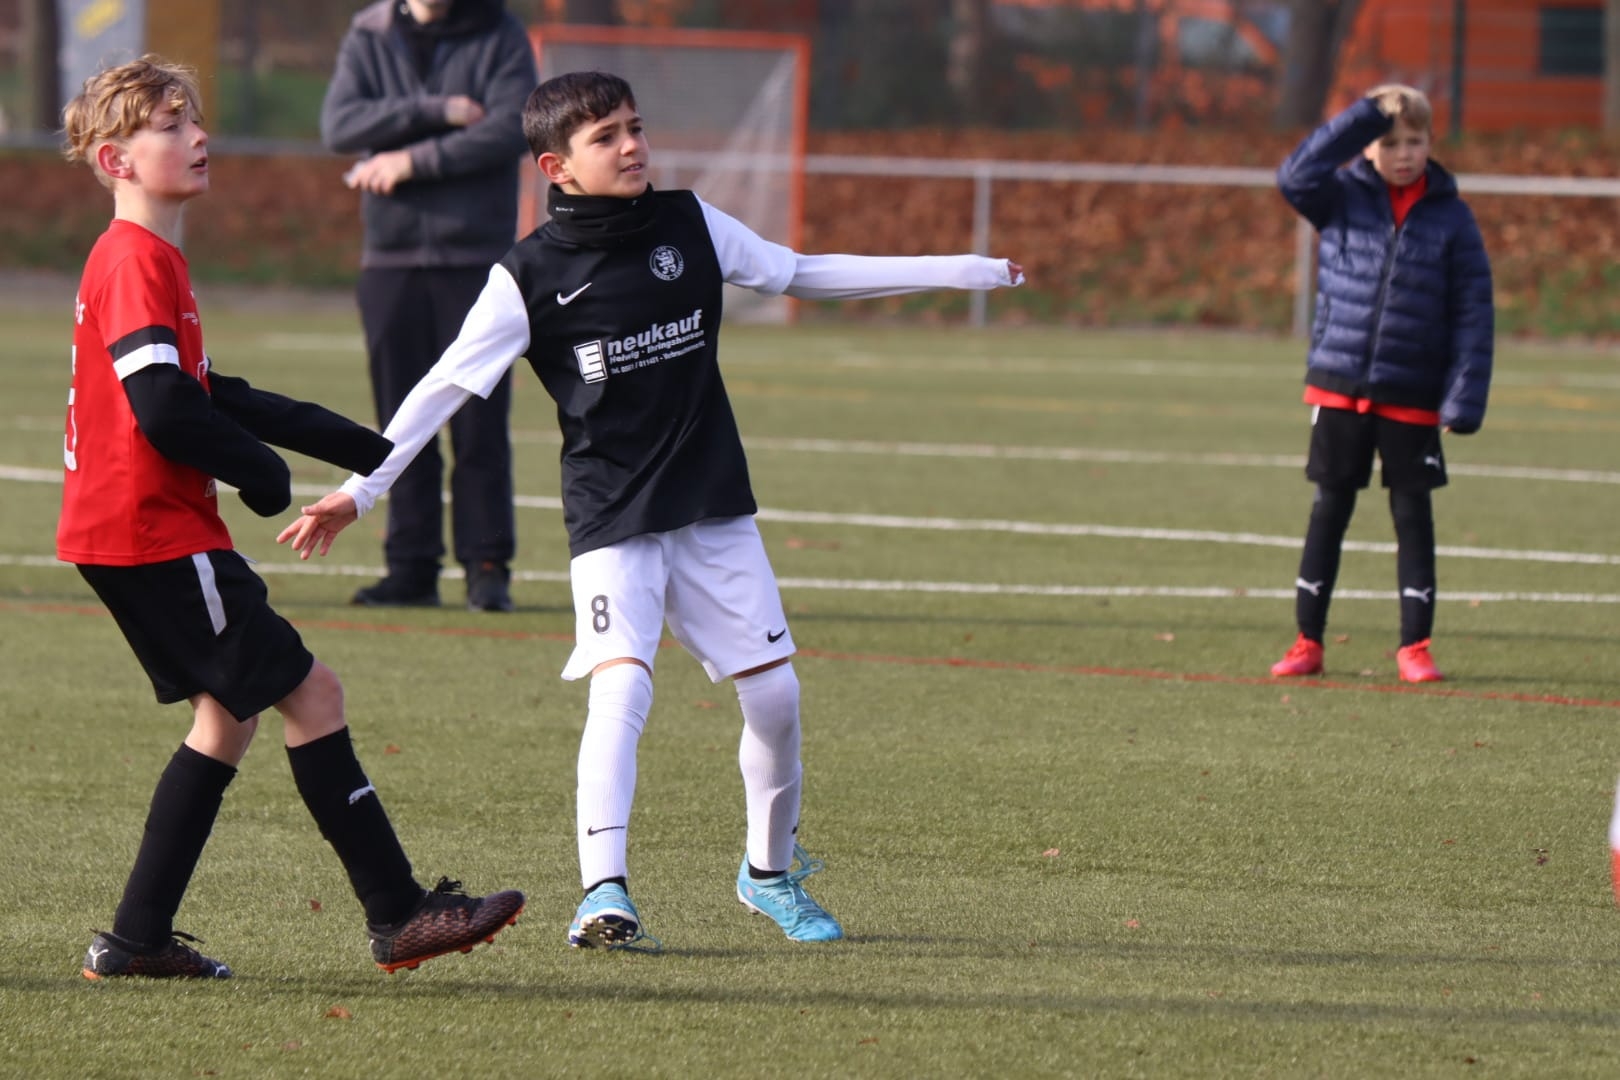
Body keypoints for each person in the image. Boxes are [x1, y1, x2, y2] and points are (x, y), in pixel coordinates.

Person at [281, 70, 1024, 950]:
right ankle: (604, 895)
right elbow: (443, 385)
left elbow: (797, 271)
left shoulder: (690, 222)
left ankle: (768, 873)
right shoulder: (527, 275)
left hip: (710, 503)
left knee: (776, 696)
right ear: (557, 167)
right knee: (623, 685)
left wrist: (962, 270)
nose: (632, 145)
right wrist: (360, 488)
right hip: (611, 513)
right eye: (607, 137)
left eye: (634, 127)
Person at [59, 56, 523, 980]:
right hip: (154, 534)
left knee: (225, 720)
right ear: (116, 160)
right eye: (170, 125)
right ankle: (398, 913)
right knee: (314, 696)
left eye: (195, 118)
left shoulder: (143, 257)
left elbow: (207, 390)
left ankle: (138, 939)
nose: (198, 136)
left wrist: (339, 439)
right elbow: (164, 409)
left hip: (122, 536)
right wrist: (262, 473)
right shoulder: (136, 258)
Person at [1270, 83, 1493, 684]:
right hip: (1340, 384)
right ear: (1368, 147)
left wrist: (1464, 396)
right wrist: (1366, 115)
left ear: (1430, 144)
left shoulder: (1452, 218)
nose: (1403, 154)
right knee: (1330, 509)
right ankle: (1307, 641)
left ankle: (1414, 647)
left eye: (1414, 141)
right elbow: (1293, 174)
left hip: (1412, 391)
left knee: (1412, 516)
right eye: (1389, 142)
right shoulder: (1339, 197)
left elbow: (1474, 312)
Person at [320, 0, 538, 612]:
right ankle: (410, 568)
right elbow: (339, 126)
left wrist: (411, 160)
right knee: (397, 423)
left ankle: (487, 566)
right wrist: (436, 111)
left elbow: (511, 128)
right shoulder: (368, 32)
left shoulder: (500, 30)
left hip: (476, 259)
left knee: (479, 423)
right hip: (389, 259)